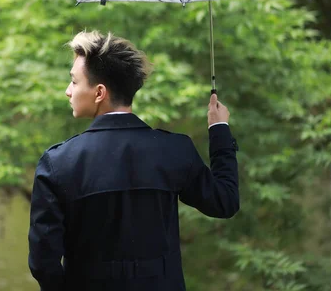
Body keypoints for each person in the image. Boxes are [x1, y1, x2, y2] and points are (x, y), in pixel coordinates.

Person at [28, 30, 239, 291]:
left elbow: (42, 262)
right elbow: (225, 202)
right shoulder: (174, 150)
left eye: (73, 81)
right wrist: (219, 128)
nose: (67, 91)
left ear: (99, 92)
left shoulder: (58, 163)